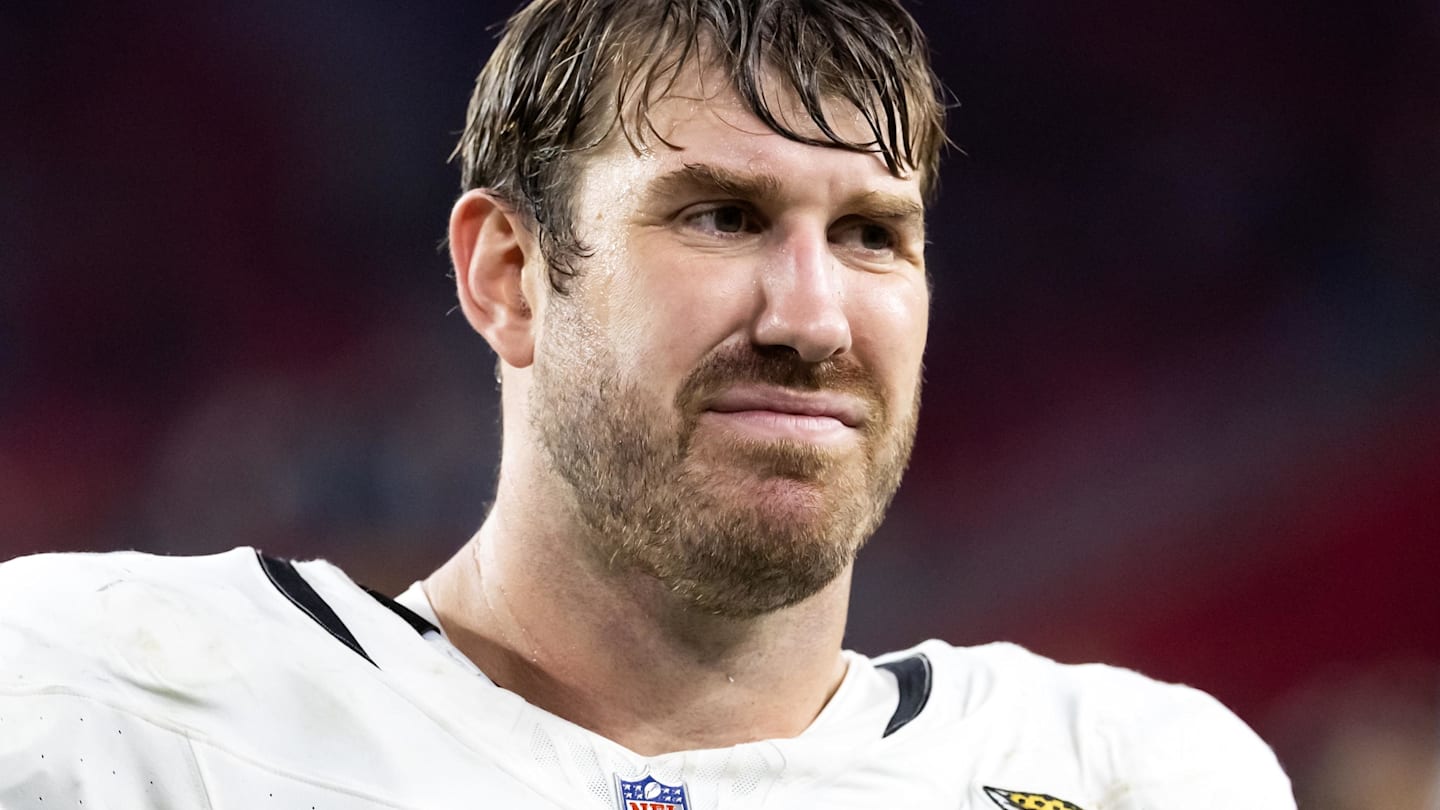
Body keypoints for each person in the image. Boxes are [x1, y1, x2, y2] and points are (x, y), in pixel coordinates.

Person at [0, 0, 1295, 807]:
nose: (812, 318)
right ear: (508, 274)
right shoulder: (102, 704)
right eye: (721, 216)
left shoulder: (1129, 774)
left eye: (871, 234)